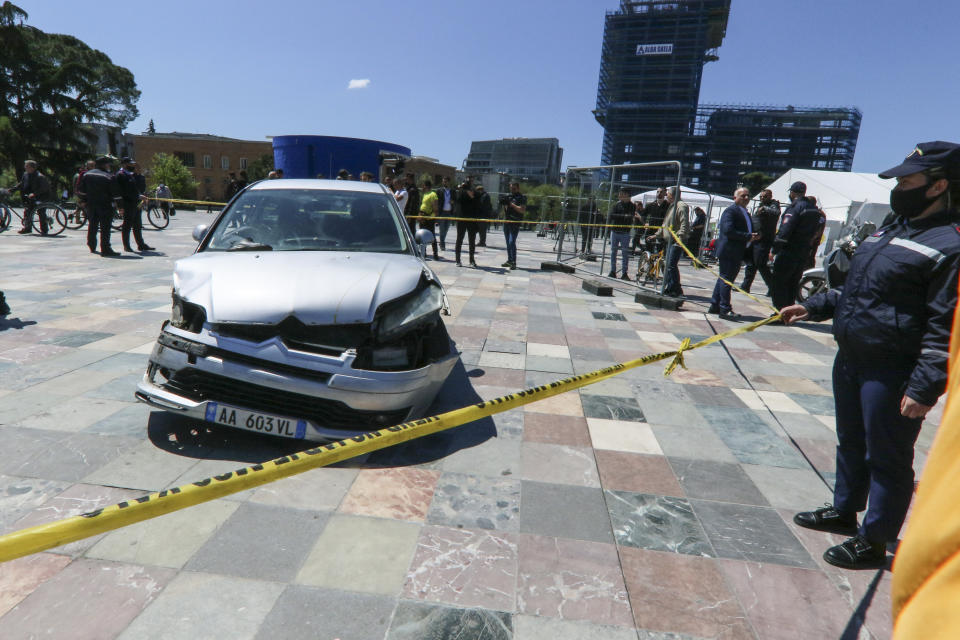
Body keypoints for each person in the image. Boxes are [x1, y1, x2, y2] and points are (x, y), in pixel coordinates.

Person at [784, 141, 960, 569]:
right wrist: (818, 304)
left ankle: (875, 537)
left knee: (888, 457)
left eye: (907, 180)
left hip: (893, 368)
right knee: (851, 442)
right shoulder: (893, 229)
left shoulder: (949, 245)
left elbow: (946, 325)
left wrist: (924, 386)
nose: (899, 187)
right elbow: (864, 290)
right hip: (853, 357)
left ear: (938, 186)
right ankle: (845, 510)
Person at [769, 181, 822, 309]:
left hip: (789, 251)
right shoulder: (814, 210)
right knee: (793, 283)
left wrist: (774, 250)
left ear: (792, 193)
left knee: (779, 282)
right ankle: (789, 309)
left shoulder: (795, 207)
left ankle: (780, 313)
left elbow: (785, 230)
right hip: (803, 252)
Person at [708, 188, 759, 319]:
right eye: (743, 196)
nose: (746, 198)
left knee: (724, 278)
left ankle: (715, 305)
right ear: (735, 197)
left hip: (738, 251)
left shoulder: (745, 213)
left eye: (748, 196)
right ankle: (725, 308)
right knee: (727, 280)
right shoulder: (730, 211)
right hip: (729, 251)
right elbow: (728, 230)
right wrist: (748, 236)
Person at [77, 155, 121, 256]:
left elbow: (81, 190)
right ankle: (105, 248)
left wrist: (83, 200)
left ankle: (92, 245)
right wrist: (120, 206)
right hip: (105, 205)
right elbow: (116, 193)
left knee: (93, 225)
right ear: (105, 165)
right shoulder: (109, 176)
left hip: (91, 204)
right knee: (105, 227)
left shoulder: (86, 174)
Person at [740, 189, 780, 294]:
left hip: (764, 240)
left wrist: (765, 208)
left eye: (765, 197)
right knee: (751, 263)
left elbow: (776, 212)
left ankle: (773, 287)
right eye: (761, 197)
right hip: (755, 239)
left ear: (770, 196)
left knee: (761, 264)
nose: (762, 198)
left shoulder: (773, 205)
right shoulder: (760, 206)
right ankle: (745, 286)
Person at [656, 186, 690, 297]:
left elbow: (684, 223)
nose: (666, 195)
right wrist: (657, 234)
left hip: (677, 241)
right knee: (669, 265)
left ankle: (676, 290)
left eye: (668, 194)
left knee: (671, 265)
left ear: (673, 195)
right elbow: (666, 223)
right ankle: (672, 288)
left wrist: (680, 238)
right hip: (670, 240)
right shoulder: (672, 205)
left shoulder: (681, 206)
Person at [115, 158, 154, 252]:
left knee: (137, 225)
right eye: (130, 164)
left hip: (135, 203)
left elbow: (134, 189)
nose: (133, 166)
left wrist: (139, 196)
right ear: (124, 164)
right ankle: (126, 246)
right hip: (127, 203)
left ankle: (140, 244)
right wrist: (120, 206)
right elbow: (122, 191)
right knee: (127, 225)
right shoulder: (120, 175)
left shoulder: (129, 175)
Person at [10, 160, 52, 235]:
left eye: (27, 166)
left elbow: (44, 188)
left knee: (41, 213)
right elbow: (22, 183)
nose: (25, 167)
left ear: (32, 168)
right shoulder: (26, 174)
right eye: (25, 166)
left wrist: (34, 194)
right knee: (27, 212)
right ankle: (27, 228)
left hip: (40, 197)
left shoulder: (40, 176)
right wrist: (13, 189)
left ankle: (44, 230)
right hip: (30, 196)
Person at [606, 187, 635, 280]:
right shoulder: (616, 205)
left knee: (624, 253)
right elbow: (611, 216)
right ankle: (613, 271)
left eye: (621, 193)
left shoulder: (632, 206)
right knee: (613, 252)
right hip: (615, 232)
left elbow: (629, 217)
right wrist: (623, 216)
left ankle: (624, 273)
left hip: (625, 233)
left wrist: (619, 216)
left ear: (626, 195)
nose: (619, 195)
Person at [455, 177, 480, 267]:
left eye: (470, 181)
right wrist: (461, 189)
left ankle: (472, 260)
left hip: (471, 218)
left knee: (472, 240)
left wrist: (469, 191)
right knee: (459, 239)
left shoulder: (474, 191)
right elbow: (457, 200)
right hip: (461, 218)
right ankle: (458, 260)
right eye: (467, 181)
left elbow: (476, 200)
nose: (468, 183)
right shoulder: (461, 191)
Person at [501, 181, 526, 270]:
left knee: (512, 242)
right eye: (511, 188)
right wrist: (505, 204)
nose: (512, 190)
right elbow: (506, 209)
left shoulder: (522, 197)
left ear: (518, 188)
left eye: (514, 188)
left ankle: (514, 262)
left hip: (515, 222)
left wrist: (512, 205)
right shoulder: (508, 196)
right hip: (507, 221)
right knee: (508, 243)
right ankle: (509, 260)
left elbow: (522, 210)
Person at [638, 187, 668, 253]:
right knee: (649, 250)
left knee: (660, 252)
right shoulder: (651, 205)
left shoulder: (668, 206)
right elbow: (643, 216)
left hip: (662, 232)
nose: (659, 193)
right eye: (658, 192)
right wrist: (645, 223)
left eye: (661, 192)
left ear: (665, 193)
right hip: (650, 230)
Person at [418, 179, 440, 260]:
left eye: (423, 185)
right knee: (422, 236)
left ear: (426, 186)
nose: (422, 187)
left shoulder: (433, 194)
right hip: (423, 217)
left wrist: (433, 217)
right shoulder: (425, 194)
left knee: (432, 236)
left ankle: (435, 254)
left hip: (429, 218)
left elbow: (435, 207)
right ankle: (424, 252)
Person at [435, 176, 455, 251]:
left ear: (449, 182)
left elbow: (455, 200)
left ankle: (442, 241)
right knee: (442, 229)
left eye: (445, 181)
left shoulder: (452, 191)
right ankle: (442, 244)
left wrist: (453, 201)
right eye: (443, 181)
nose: (444, 182)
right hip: (442, 212)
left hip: (449, 212)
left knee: (446, 229)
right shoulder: (439, 190)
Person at [403, 173, 421, 237]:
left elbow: (412, 203)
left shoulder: (413, 189)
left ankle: (412, 243)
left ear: (410, 179)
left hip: (411, 213)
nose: (406, 180)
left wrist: (409, 215)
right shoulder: (409, 188)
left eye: (407, 179)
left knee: (411, 229)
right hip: (407, 212)